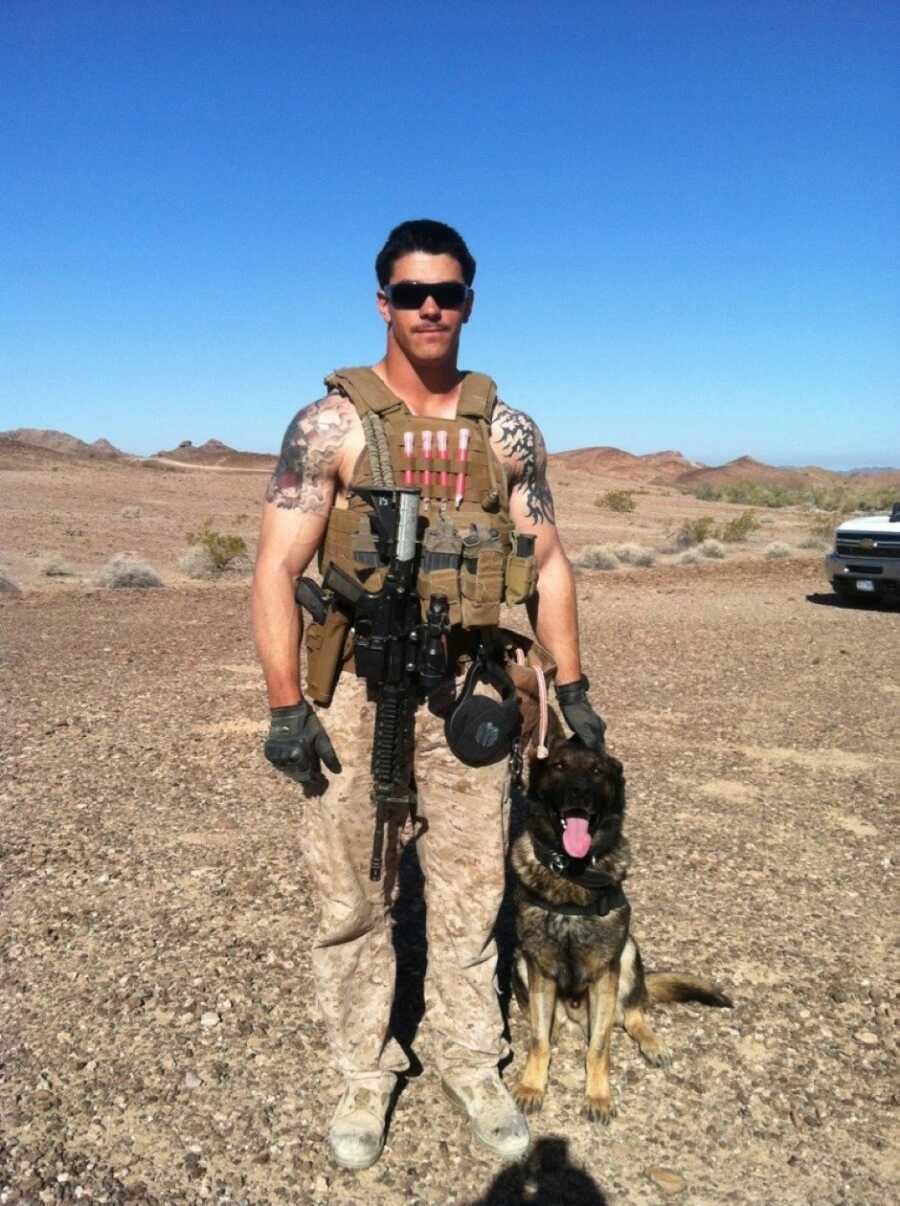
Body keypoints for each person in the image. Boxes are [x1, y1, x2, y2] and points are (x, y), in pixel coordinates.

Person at [251, 219, 605, 1169]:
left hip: (474, 687)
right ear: (383, 302)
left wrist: (571, 688)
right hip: (359, 690)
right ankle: (364, 1070)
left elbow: (549, 560)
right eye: (411, 293)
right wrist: (288, 704)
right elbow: (276, 568)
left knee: (470, 881)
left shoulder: (508, 430)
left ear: (469, 302)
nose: (431, 308)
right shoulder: (329, 426)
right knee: (354, 890)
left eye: (447, 292)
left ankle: (467, 1056)